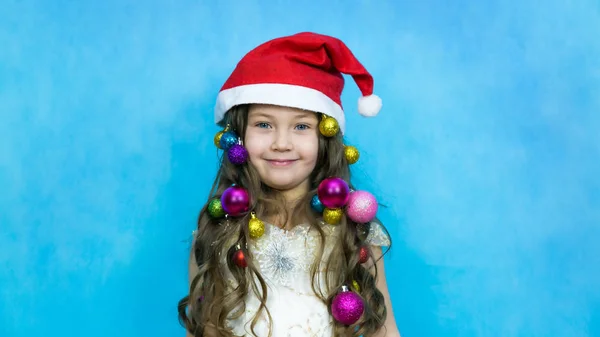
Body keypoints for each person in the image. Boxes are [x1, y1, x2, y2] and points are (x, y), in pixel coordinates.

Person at [178, 32, 400, 337]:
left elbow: (383, 331)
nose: (281, 143)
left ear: (325, 137)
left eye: (301, 126)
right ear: (238, 136)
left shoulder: (355, 234)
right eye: (264, 125)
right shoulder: (216, 234)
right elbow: (205, 330)